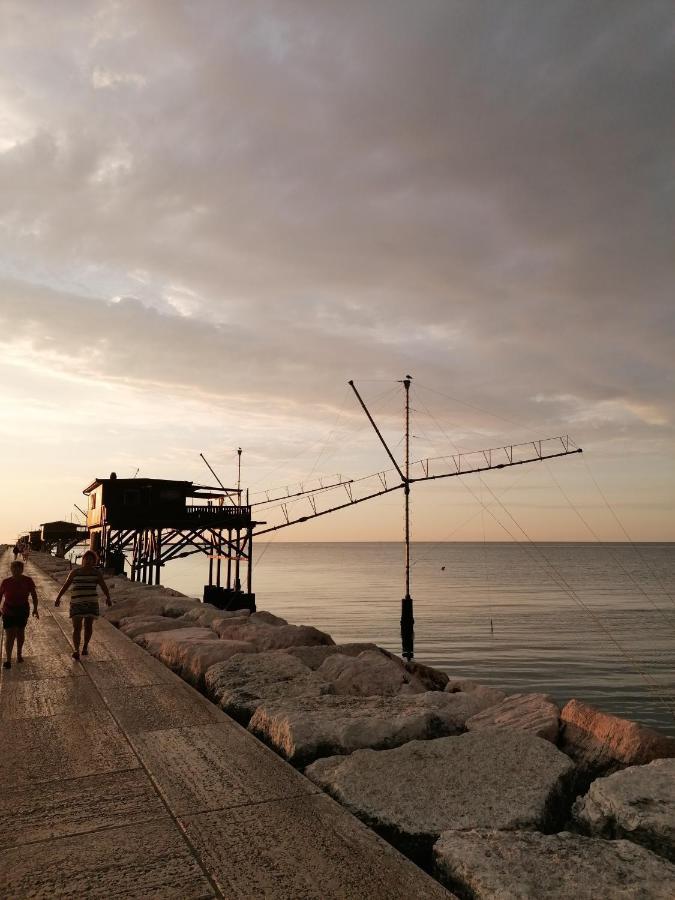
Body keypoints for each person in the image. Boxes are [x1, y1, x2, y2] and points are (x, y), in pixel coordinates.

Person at [54, 549, 112, 660]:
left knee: (88, 626)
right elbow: (66, 586)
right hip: (77, 603)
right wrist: (58, 598)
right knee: (77, 627)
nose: (88, 561)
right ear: (83, 560)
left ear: (94, 562)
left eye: (91, 559)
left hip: (91, 603)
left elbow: (104, 586)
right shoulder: (75, 572)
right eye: (86, 559)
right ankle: (76, 649)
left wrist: (108, 598)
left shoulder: (97, 573)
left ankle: (85, 646)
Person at [0, 560, 39, 669]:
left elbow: (34, 595)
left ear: (22, 570)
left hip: (22, 610)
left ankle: (19, 654)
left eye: (18, 568)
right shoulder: (5, 582)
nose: (16, 570)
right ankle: (8, 659)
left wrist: (35, 609)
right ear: (11, 569)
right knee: (9, 635)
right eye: (14, 568)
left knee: (20, 632)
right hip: (8, 610)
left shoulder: (28, 580)